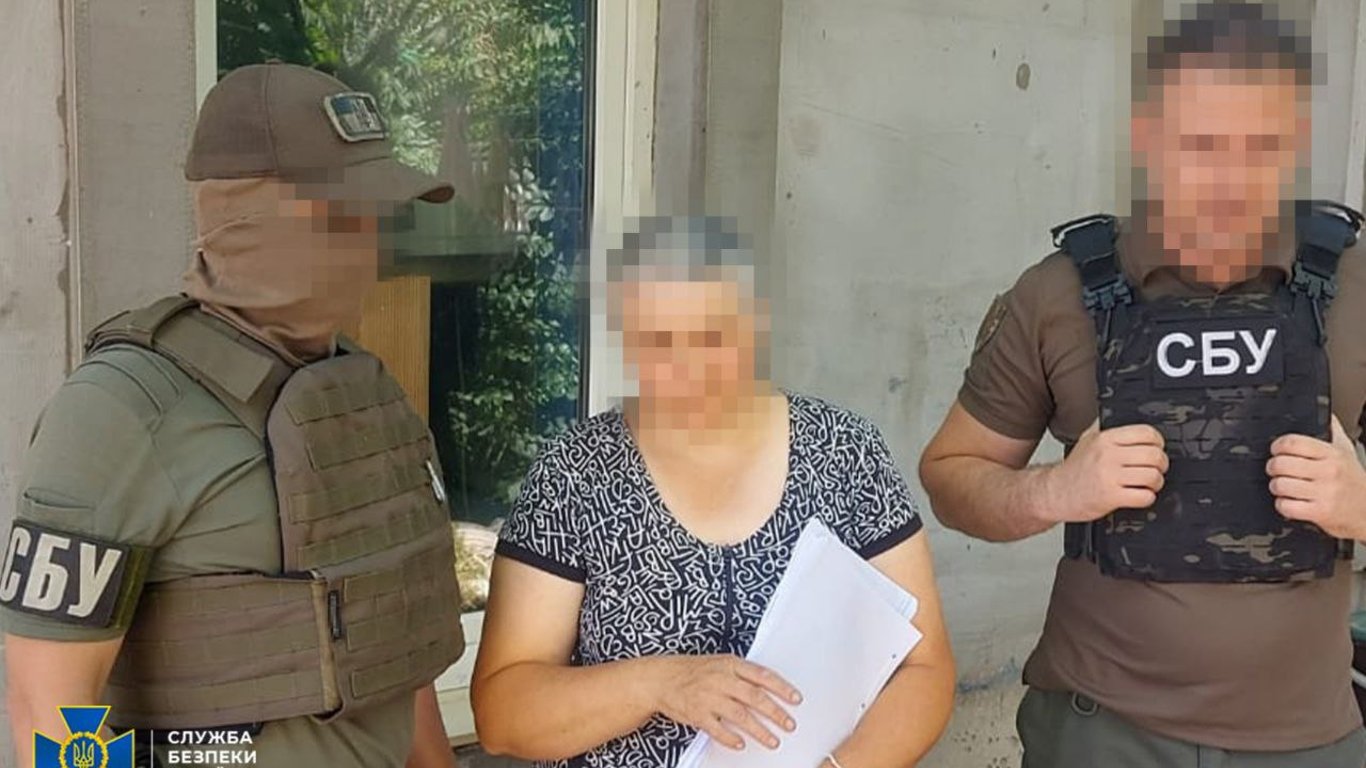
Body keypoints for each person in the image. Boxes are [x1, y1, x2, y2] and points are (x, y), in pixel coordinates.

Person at [919, 3, 1366, 766]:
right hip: (1103, 729)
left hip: (1308, 739)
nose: (1231, 179)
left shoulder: (1354, 288)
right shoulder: (1061, 292)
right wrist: (1055, 491)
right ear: (1148, 139)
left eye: (1261, 147)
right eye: (1202, 144)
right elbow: (950, 475)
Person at [2, 63, 466, 768]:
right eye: (347, 220)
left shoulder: (358, 387)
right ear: (253, 223)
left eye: (379, 220)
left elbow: (391, 641)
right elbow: (51, 712)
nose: (372, 249)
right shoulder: (120, 411)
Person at [469, 216, 955, 767]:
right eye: (657, 341)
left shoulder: (844, 453)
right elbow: (503, 714)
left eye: (711, 336)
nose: (687, 367)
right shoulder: (576, 474)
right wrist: (657, 684)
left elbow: (925, 669)